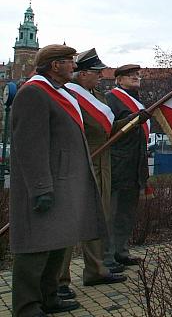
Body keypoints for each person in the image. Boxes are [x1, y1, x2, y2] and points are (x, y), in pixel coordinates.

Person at [10, 45, 105, 316]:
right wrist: (41, 188)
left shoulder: (56, 93)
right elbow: (30, 146)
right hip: (46, 184)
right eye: (69, 62)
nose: (74, 67)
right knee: (35, 248)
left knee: (57, 243)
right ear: (55, 65)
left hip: (63, 183)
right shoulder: (33, 93)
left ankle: (49, 297)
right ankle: (27, 307)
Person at [56, 49, 127, 299]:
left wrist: (131, 122)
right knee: (70, 222)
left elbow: (106, 129)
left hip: (101, 162)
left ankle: (96, 270)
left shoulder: (97, 96)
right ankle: (59, 281)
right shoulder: (68, 95)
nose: (100, 77)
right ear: (82, 73)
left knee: (98, 218)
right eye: (96, 73)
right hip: (80, 162)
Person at [105, 64, 150, 267]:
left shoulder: (136, 100)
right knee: (113, 213)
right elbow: (110, 130)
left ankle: (121, 251)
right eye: (130, 75)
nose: (136, 77)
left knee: (126, 213)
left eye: (137, 75)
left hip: (135, 163)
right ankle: (108, 256)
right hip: (118, 163)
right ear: (119, 79)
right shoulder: (111, 99)